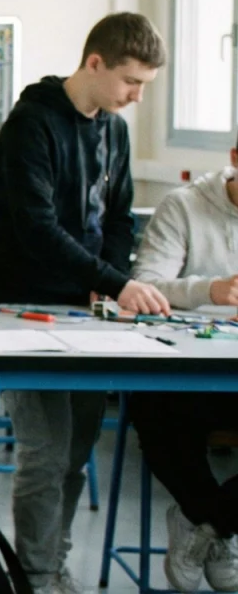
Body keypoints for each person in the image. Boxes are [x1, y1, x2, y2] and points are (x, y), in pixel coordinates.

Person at [0, 12, 170, 594]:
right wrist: (115, 283)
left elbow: (118, 216)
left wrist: (108, 278)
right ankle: (37, 578)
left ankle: (51, 563)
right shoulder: (29, 126)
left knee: (75, 453)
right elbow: (37, 228)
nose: (136, 97)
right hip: (24, 309)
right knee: (44, 451)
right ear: (95, 63)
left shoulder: (113, 129)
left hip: (89, 312)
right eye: (130, 83)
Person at [126, 137, 238, 593]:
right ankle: (212, 520)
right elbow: (144, 287)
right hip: (186, 369)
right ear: (234, 160)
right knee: (155, 410)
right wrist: (209, 291)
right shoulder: (184, 206)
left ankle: (210, 525)